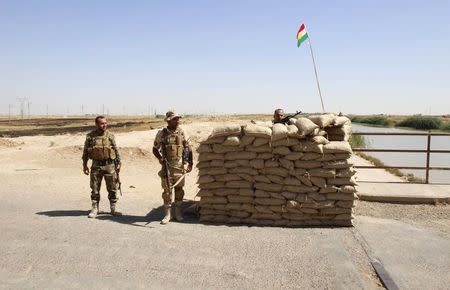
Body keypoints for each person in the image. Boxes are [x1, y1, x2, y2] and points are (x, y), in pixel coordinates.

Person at [152, 111, 193, 224]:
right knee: (167, 191)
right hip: (167, 166)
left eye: (178, 119)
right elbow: (155, 149)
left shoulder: (182, 132)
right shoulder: (162, 133)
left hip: (179, 166)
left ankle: (178, 213)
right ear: (169, 121)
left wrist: (190, 163)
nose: (178, 121)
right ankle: (167, 214)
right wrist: (160, 159)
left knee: (179, 190)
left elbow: (189, 148)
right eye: (175, 119)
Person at [82, 116, 122, 218]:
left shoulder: (110, 136)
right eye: (102, 123)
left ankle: (113, 208)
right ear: (97, 124)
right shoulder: (90, 136)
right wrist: (85, 165)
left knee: (113, 188)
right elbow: (86, 151)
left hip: (110, 165)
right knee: (95, 188)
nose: (104, 125)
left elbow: (116, 150)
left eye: (105, 123)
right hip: (96, 165)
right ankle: (95, 208)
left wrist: (119, 163)